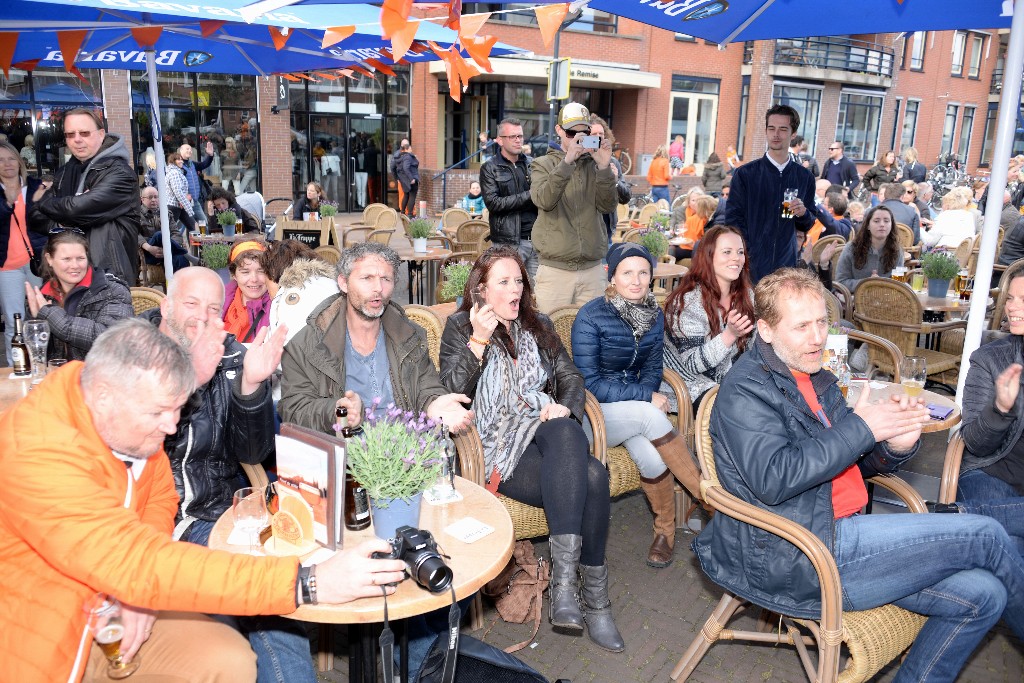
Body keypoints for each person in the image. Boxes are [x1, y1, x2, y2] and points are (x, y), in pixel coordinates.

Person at [0, 318, 409, 682]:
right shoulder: (38, 449)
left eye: (177, 410)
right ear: (106, 397)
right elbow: (137, 561)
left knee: (228, 659)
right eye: (161, 412)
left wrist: (135, 592)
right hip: (44, 635)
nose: (172, 424)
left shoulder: (116, 415)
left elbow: (159, 495)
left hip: (108, 602)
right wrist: (310, 583)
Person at [695, 267, 1024, 683]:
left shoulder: (815, 376)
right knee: (987, 534)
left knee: (985, 596)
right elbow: (774, 479)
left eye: (821, 322)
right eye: (801, 327)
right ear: (765, 330)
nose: (817, 337)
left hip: (842, 533)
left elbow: (850, 463)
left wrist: (891, 448)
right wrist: (863, 428)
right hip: (804, 554)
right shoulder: (745, 390)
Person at [439, 245, 623, 651]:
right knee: (594, 476)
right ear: (481, 290)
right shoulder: (460, 325)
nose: (514, 289)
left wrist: (565, 405)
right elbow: (450, 392)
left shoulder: (537, 324)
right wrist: (479, 341)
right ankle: (593, 599)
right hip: (493, 446)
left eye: (518, 280)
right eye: (503, 282)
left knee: (564, 428)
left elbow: (570, 376)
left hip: (540, 429)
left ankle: (565, 586)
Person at [138, 267, 316, 682]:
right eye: (191, 304)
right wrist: (191, 378)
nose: (202, 317)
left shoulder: (231, 356)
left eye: (213, 308)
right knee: (263, 599)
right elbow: (143, 451)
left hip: (224, 510)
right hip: (160, 520)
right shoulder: (132, 354)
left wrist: (252, 387)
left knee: (276, 598)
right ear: (165, 306)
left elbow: (253, 453)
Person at [572, 242, 704, 569]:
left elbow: (652, 369)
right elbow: (589, 383)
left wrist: (644, 393)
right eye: (627, 273)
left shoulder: (653, 314)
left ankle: (665, 532)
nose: (636, 280)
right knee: (649, 414)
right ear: (611, 276)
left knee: (650, 456)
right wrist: (644, 397)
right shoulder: (591, 316)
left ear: (651, 276)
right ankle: (711, 501)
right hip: (591, 416)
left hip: (632, 416)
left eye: (643, 272)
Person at [955, 271, 1024, 553]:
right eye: (1010, 298)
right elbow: (975, 443)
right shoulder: (990, 360)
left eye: (1023, 299)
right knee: (1008, 546)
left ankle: (954, 516)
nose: (1012, 307)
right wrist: (1000, 409)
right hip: (993, 473)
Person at [29, 108, 139, 283]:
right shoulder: (65, 171)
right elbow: (34, 216)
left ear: (101, 134)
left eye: (85, 133)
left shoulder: (120, 173)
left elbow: (75, 209)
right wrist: (60, 219)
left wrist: (49, 203)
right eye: (70, 134)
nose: (77, 139)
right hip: (65, 276)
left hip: (107, 277)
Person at [530, 102, 617, 313]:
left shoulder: (595, 164)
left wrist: (604, 168)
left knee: (594, 336)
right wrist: (567, 163)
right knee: (550, 335)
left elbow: (608, 205)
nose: (578, 138)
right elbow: (544, 200)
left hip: (593, 270)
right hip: (554, 270)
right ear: (558, 130)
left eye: (584, 132)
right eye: (571, 133)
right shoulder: (542, 163)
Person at [663, 226, 755, 411]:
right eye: (727, 252)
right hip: (688, 386)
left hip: (731, 383)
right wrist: (729, 335)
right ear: (709, 256)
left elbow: (755, 351)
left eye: (740, 252)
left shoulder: (747, 296)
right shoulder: (687, 302)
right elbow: (692, 364)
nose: (736, 258)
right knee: (744, 411)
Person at [725, 104, 816, 282]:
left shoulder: (804, 177)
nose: (776, 134)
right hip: (749, 265)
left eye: (783, 129)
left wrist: (803, 213)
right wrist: (747, 253)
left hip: (786, 265)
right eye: (771, 128)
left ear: (793, 133)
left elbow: (808, 222)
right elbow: (733, 220)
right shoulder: (745, 174)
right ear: (766, 131)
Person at [23, 229, 132, 361]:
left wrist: (52, 316)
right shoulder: (42, 296)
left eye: (80, 258)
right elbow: (34, 351)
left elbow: (112, 339)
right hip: (57, 377)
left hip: (101, 376)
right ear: (49, 259)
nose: (74, 265)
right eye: (66, 259)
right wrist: (35, 322)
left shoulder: (112, 290)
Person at [0, 140, 47, 366]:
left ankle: (42, 364)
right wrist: (7, 201)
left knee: (42, 316)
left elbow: (46, 221)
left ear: (19, 161)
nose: (7, 164)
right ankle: (17, 368)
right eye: (0, 160)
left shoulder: (35, 187)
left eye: (11, 158)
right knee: (13, 321)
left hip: (36, 262)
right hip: (6, 266)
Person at [480, 117, 539, 278]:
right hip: (508, 242)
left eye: (520, 136)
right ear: (500, 140)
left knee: (537, 296)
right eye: (513, 137)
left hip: (537, 240)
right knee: (511, 292)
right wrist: (530, 195)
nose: (518, 140)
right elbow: (494, 203)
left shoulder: (531, 164)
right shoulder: (490, 168)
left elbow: (543, 196)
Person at [835, 205, 904, 290]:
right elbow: (840, 282)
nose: (882, 224)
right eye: (876, 221)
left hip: (886, 299)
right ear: (867, 225)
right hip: (855, 300)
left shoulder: (897, 250)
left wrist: (881, 284)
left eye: (886, 221)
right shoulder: (851, 248)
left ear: (892, 225)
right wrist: (867, 283)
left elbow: (899, 283)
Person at [222, 241, 277, 344]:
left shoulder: (277, 309)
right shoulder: (219, 303)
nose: (254, 279)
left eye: (261, 271)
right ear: (234, 275)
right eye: (245, 272)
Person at [589, 115, 630, 246]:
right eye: (594, 134)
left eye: (601, 133)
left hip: (606, 233)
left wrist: (615, 180)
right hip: (586, 233)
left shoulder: (613, 162)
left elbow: (626, 197)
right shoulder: (581, 162)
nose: (598, 137)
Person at [138, 186, 197, 273]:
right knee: (159, 234)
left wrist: (169, 248)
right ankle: (186, 253)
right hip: (149, 252)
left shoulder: (166, 213)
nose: (153, 200)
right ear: (142, 199)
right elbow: (135, 235)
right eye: (150, 197)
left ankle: (180, 286)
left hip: (168, 252)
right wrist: (149, 248)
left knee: (181, 259)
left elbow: (176, 234)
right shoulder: (137, 215)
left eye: (156, 197)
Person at [179, 141, 214, 224]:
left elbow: (204, 165)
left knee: (203, 223)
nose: (190, 151)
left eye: (191, 149)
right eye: (187, 149)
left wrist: (210, 155)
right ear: (181, 151)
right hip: (183, 202)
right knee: (182, 227)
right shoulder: (177, 165)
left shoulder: (192, 164)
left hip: (195, 201)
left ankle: (203, 237)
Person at [164, 152, 196, 236]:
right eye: (178, 159)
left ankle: (200, 248)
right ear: (172, 161)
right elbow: (178, 192)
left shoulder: (176, 172)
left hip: (178, 205)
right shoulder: (174, 173)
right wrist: (188, 208)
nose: (181, 161)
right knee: (171, 232)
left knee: (193, 228)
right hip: (174, 206)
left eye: (181, 159)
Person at [395, 141, 420, 217]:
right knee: (412, 197)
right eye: (410, 148)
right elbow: (406, 168)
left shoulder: (401, 157)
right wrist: (411, 178)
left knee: (406, 195)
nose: (411, 150)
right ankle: (410, 214)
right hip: (412, 179)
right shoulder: (408, 157)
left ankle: (402, 212)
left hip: (404, 180)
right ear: (406, 149)